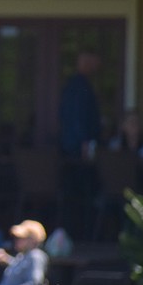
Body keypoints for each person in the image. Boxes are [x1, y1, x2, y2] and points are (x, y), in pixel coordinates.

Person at [59, 47, 102, 240]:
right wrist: (85, 142)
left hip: (73, 148)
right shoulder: (78, 87)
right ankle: (79, 236)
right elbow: (76, 118)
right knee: (80, 197)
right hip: (75, 152)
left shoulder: (77, 85)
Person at [0, 219, 49, 285]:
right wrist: (7, 260)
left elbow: (35, 283)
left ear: (32, 240)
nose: (16, 240)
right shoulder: (22, 255)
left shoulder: (36, 256)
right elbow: (20, 268)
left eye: (21, 238)